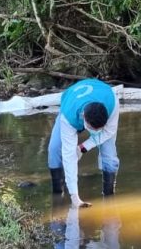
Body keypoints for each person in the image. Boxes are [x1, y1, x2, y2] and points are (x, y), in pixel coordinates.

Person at [48, 78, 121, 207]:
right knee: (54, 150)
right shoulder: (68, 117)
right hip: (71, 103)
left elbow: (108, 132)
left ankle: (109, 197)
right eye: (94, 130)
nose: (97, 132)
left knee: (109, 157)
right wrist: (75, 197)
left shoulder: (112, 103)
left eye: (100, 129)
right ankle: (58, 197)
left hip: (101, 92)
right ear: (84, 119)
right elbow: (69, 156)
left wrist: (83, 147)